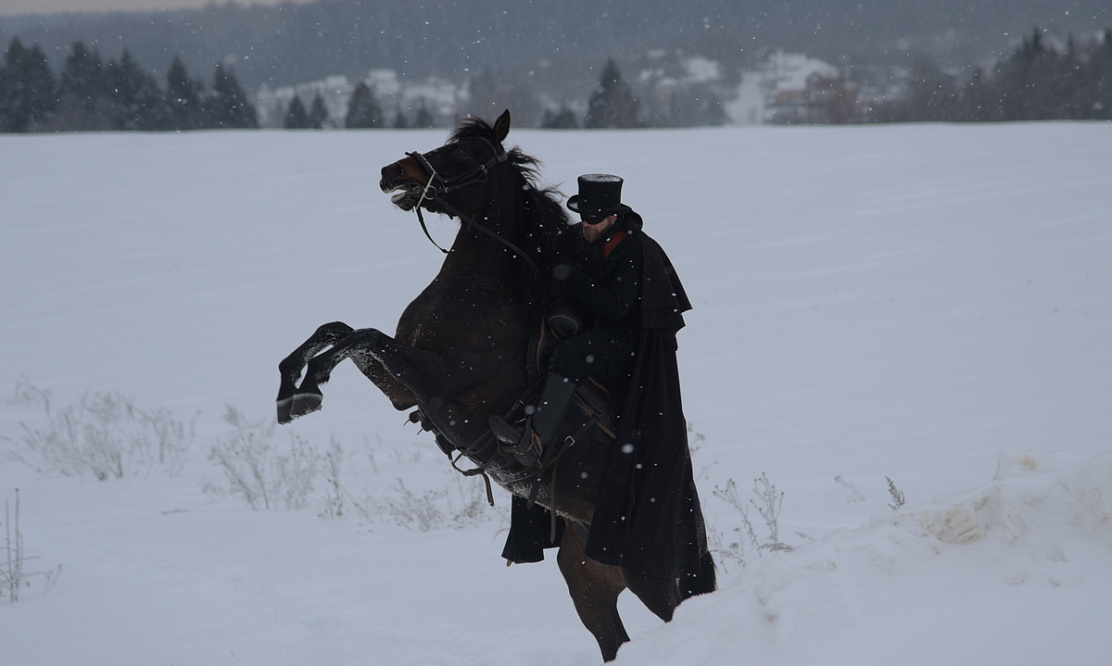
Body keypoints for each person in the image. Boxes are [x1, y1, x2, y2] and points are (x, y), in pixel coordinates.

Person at [496, 174, 715, 593]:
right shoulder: (585, 237)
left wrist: (571, 277)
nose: (587, 226)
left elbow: (616, 308)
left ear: (614, 216)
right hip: (602, 331)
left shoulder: (635, 252)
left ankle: (534, 441)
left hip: (631, 345)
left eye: (595, 220)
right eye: (583, 218)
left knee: (570, 355)